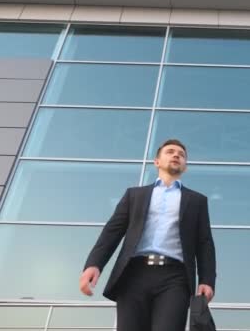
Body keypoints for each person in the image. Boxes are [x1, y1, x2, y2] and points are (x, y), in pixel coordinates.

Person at [79, 139, 216, 331]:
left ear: (185, 167)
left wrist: (207, 280)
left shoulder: (197, 201)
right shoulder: (135, 195)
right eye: (170, 152)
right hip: (134, 274)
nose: (176, 155)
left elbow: (204, 243)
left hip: (175, 278)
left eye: (181, 154)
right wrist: (94, 264)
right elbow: (112, 231)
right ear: (157, 162)